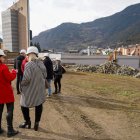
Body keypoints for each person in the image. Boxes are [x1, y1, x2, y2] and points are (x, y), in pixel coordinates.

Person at [19, 46, 47, 131]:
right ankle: (36, 123)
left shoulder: (28, 65)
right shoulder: (41, 63)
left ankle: (27, 121)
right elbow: (45, 76)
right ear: (36, 54)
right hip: (40, 89)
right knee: (39, 104)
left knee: (23, 104)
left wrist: (21, 85)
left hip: (30, 89)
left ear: (28, 55)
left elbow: (26, 79)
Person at [0, 49, 19, 137]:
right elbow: (10, 78)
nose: (4, 58)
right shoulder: (3, 67)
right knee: (9, 110)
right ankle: (10, 130)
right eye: (3, 57)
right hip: (6, 92)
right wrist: (14, 72)